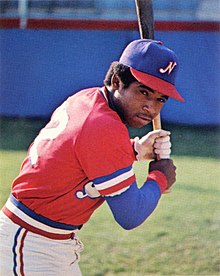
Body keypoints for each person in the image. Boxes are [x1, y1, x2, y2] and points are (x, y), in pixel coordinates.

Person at [0, 39, 184, 275]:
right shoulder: (103, 126)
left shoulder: (89, 99)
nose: (151, 107)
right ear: (117, 81)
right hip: (30, 243)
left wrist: (134, 150)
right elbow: (130, 214)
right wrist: (160, 178)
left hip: (39, 238)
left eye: (160, 98)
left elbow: (80, 155)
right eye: (143, 91)